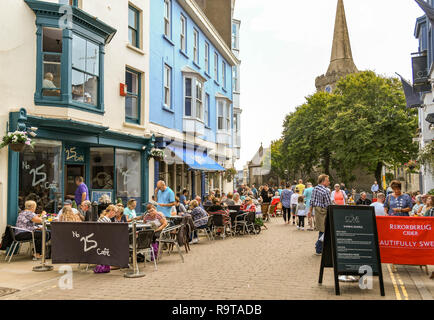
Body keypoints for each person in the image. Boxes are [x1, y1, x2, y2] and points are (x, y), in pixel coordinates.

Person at [309, 174, 332, 255]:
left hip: (317, 211)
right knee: (324, 230)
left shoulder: (315, 188)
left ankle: (318, 246)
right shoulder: (326, 191)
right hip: (324, 211)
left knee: (321, 229)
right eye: (327, 181)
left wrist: (310, 212)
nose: (329, 182)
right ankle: (318, 249)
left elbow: (311, 201)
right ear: (323, 181)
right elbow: (329, 204)